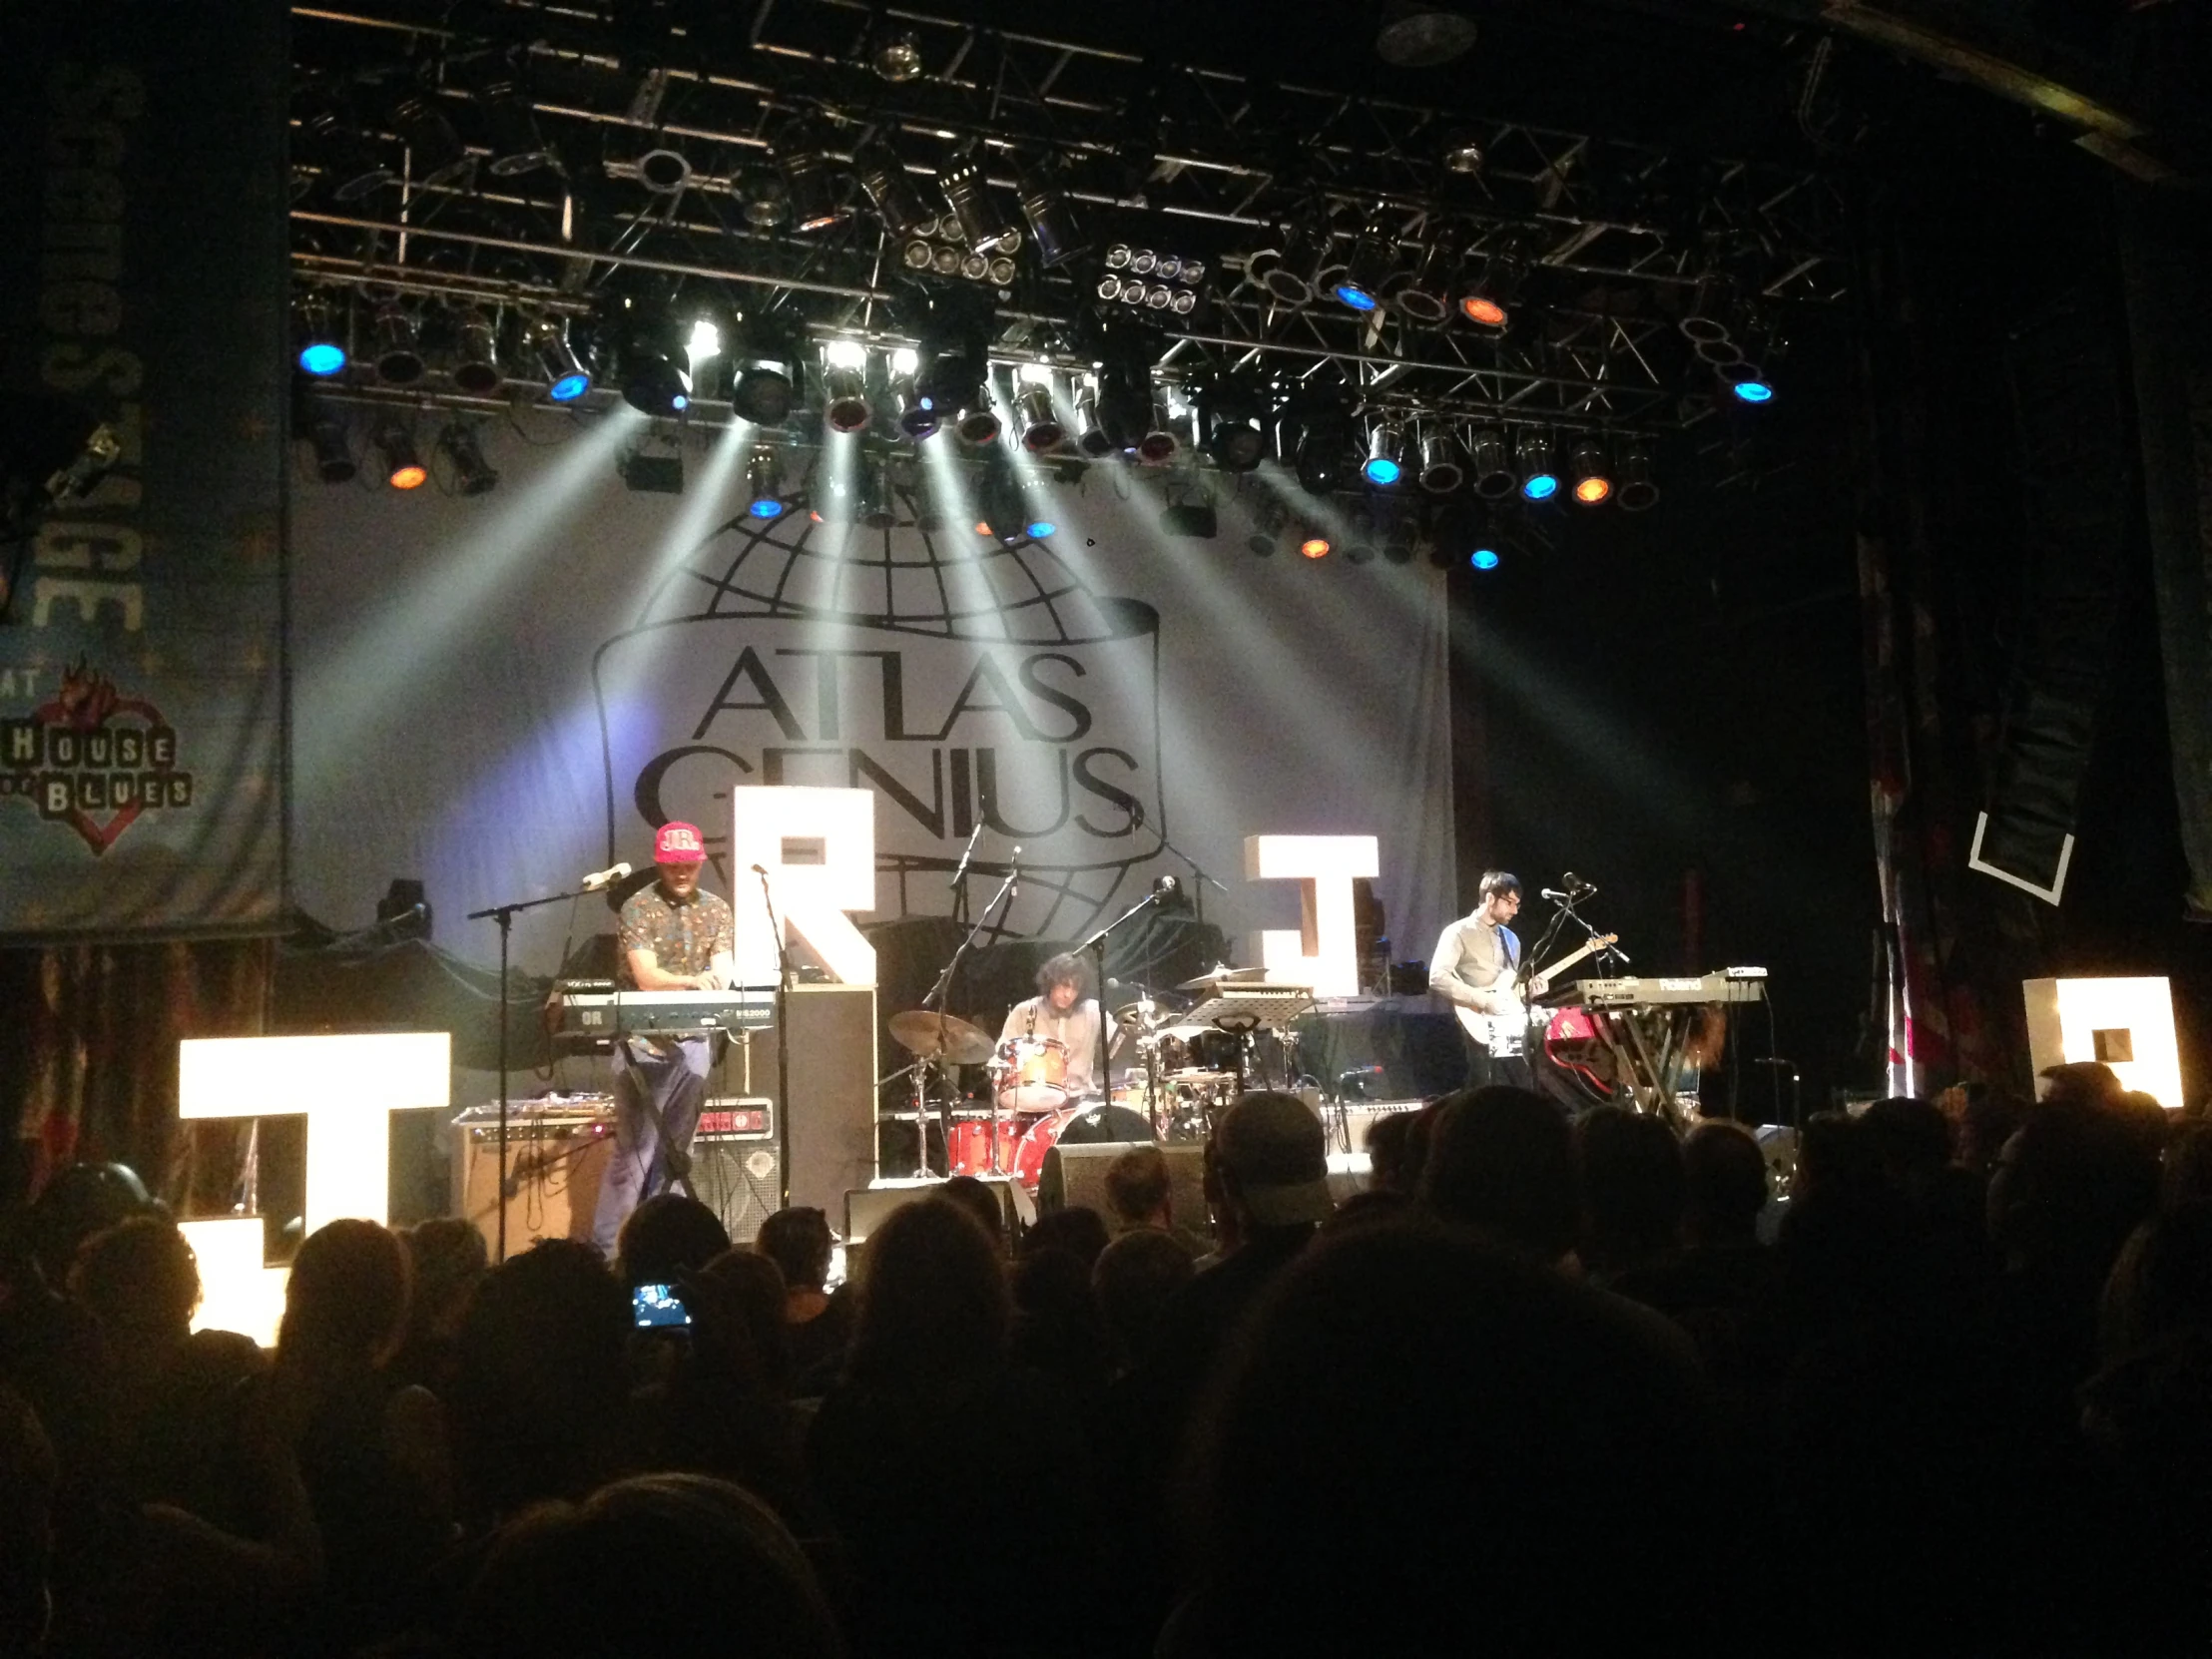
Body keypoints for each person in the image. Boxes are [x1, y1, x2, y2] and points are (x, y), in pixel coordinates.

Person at [593, 821, 737, 1258]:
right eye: (673, 864)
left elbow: (724, 970)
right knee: (635, 1151)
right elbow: (647, 977)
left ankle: (659, 1248)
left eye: (689, 864)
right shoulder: (638, 907)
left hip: (695, 1042)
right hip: (644, 1044)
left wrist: (712, 982)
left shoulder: (716, 909)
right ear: (660, 862)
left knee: (676, 1153)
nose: (681, 872)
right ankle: (608, 1252)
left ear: (699, 864)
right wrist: (696, 983)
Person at [1428, 870, 1547, 1088]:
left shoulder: (1512, 939)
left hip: (1508, 1024)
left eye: (1517, 904)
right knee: (1483, 1088)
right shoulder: (1457, 932)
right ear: (1490, 898)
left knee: (1520, 1087)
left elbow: (1508, 988)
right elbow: (1437, 977)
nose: (1515, 910)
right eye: (1510, 902)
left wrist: (1529, 993)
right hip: (1473, 1023)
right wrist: (1484, 1001)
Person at [998, 951, 1104, 1101]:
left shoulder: (1093, 1011)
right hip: (1034, 1099)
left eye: (1075, 989)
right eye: (1064, 985)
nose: (1068, 994)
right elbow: (1001, 1055)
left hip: (1081, 1098)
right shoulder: (1024, 1011)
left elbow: (1120, 1036)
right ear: (1051, 982)